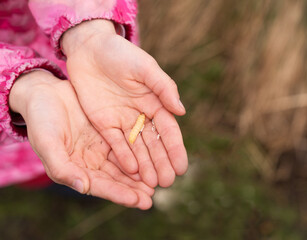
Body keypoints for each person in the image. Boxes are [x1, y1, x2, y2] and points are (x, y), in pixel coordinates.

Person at [0, 0, 188, 210]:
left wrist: (89, 30)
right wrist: (19, 88)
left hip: (90, 68)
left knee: (99, 163)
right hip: (16, 143)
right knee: (64, 169)